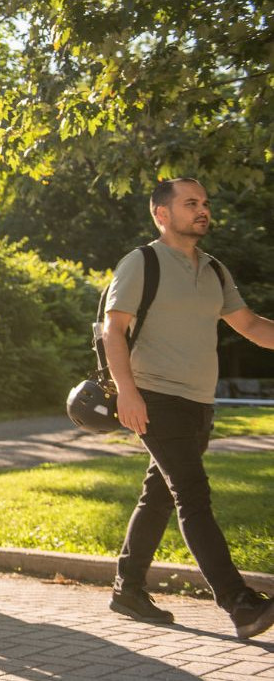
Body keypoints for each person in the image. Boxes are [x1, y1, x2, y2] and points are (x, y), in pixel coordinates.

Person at [104, 178, 274, 640]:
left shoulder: (215, 270)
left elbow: (252, 324)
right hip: (156, 397)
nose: (202, 210)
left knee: (158, 494)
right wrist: (128, 392)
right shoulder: (142, 262)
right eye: (191, 203)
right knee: (193, 496)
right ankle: (239, 602)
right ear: (161, 213)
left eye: (205, 203)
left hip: (199, 401)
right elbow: (112, 330)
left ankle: (128, 588)